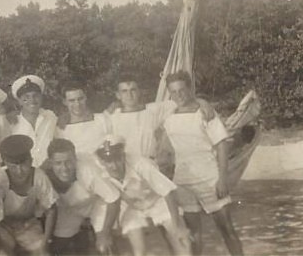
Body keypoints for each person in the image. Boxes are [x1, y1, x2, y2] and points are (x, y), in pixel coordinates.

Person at [163, 71, 243, 256]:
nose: (179, 95)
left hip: (209, 178)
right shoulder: (167, 114)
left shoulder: (206, 113)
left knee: (226, 228)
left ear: (190, 89)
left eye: (182, 90)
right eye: (174, 92)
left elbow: (221, 145)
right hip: (182, 180)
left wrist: (222, 179)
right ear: (169, 93)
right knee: (194, 234)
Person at [95, 135, 191, 256]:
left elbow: (168, 191)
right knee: (138, 249)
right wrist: (116, 224)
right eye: (108, 161)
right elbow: (112, 199)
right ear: (102, 161)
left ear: (123, 156)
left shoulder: (141, 164)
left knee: (180, 238)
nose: (113, 166)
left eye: (117, 159)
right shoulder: (100, 173)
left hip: (157, 199)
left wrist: (178, 227)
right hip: (133, 206)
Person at [45, 138, 120, 255]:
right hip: (70, 209)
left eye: (69, 162)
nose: (64, 168)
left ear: (75, 159)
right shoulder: (44, 174)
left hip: (96, 205)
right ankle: (83, 234)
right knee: (57, 246)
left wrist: (104, 234)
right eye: (58, 163)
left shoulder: (88, 171)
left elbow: (114, 199)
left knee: (104, 246)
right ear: (50, 163)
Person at [0, 135, 58, 255]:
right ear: (6, 163)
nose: (19, 171)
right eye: (13, 166)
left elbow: (51, 209)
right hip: (4, 226)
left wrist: (45, 243)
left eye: (23, 164)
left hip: (29, 225)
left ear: (30, 160)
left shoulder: (39, 177)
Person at [7, 75, 58, 167]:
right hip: (24, 172)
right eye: (26, 97)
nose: (32, 100)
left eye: (35, 96)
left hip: (50, 170)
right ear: (19, 101)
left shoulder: (51, 117)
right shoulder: (11, 123)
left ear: (41, 97)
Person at [55, 81, 109, 157]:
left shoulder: (102, 119)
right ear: (65, 102)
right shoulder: (59, 128)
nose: (77, 104)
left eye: (80, 99)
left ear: (85, 97)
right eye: (72, 100)